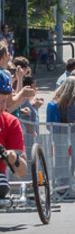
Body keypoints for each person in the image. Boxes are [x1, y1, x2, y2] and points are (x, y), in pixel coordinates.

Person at [0, 70, 27, 199]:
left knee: (1, 185)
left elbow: (22, 171)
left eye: (3, 101)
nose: (1, 107)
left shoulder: (11, 122)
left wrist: (13, 157)